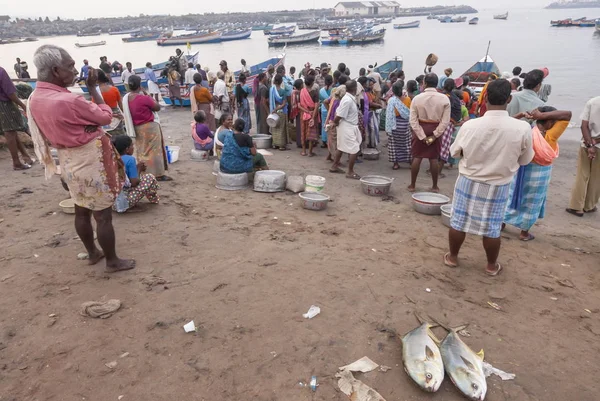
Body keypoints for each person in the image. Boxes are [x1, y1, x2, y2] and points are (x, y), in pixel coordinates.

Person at [28, 44, 135, 272]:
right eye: (70, 66)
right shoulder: (70, 101)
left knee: (81, 209)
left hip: (67, 159)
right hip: (89, 160)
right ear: (56, 71)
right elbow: (105, 116)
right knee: (103, 214)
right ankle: (113, 261)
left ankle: (92, 253)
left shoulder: (35, 97)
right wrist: (93, 88)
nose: (75, 71)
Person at [445, 79, 534, 276]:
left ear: (484, 97)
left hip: (469, 179)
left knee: (459, 221)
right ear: (509, 99)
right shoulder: (522, 128)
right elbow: (526, 159)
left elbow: (454, 153)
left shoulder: (470, 126)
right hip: (498, 183)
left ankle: (453, 257)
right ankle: (491, 265)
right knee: (492, 227)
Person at [504, 107, 571, 240]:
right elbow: (568, 114)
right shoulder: (550, 135)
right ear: (549, 122)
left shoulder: (525, 131)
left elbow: (506, 123)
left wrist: (521, 114)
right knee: (532, 202)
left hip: (520, 173)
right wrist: (542, 115)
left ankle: (501, 223)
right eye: (554, 121)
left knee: (512, 196)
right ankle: (524, 233)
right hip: (539, 176)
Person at [122, 75, 171, 181]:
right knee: (155, 151)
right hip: (149, 127)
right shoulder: (143, 98)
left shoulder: (126, 99)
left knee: (142, 151)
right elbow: (157, 107)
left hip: (136, 128)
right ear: (139, 86)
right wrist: (147, 94)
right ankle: (158, 174)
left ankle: (144, 172)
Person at [408, 73, 451, 193]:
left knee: (417, 156)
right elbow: (445, 121)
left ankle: (412, 185)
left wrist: (421, 136)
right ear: (437, 84)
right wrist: (435, 135)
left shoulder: (417, 98)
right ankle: (434, 186)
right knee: (433, 158)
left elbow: (413, 120)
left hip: (420, 127)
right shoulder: (444, 98)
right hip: (435, 128)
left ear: (424, 83)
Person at [566, 95, 600, 216]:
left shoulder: (593, 101)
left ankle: (576, 206)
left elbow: (583, 125)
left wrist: (590, 144)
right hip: (596, 144)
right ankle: (589, 205)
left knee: (582, 174)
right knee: (597, 178)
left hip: (587, 143)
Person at [112, 135, 160, 212]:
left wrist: (136, 168)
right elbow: (134, 182)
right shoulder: (130, 159)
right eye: (132, 145)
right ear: (127, 149)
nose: (133, 148)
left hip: (111, 203)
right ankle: (154, 199)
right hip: (124, 203)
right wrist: (139, 169)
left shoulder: (112, 158)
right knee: (149, 178)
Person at [0, 65, 34, 170]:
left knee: (11, 130)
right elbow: (11, 94)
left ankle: (25, 156)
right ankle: (16, 162)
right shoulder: (1, 71)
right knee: (10, 132)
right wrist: (22, 105)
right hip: (4, 104)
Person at [330, 80, 362, 180]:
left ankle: (334, 166)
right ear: (354, 89)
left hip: (348, 125)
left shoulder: (348, 98)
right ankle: (350, 172)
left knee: (341, 147)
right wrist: (334, 123)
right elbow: (339, 115)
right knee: (354, 149)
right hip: (347, 126)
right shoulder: (348, 100)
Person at [385, 80, 412, 170]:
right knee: (407, 144)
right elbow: (410, 113)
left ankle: (396, 164)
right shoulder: (408, 99)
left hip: (394, 125)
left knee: (394, 145)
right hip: (404, 125)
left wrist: (387, 129)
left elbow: (388, 116)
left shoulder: (391, 101)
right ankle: (410, 161)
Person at [438, 78, 462, 173]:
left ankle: (435, 170)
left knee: (439, 147)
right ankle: (437, 171)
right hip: (449, 123)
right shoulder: (454, 97)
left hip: (442, 122)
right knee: (443, 148)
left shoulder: (443, 96)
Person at [97, 70, 125, 136]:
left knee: (110, 138)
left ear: (96, 79)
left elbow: (95, 109)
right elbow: (121, 105)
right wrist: (125, 116)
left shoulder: (96, 92)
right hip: (117, 115)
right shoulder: (114, 89)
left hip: (105, 116)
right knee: (121, 136)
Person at [299, 75, 319, 156]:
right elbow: (316, 106)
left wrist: (306, 111)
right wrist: (313, 117)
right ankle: (310, 152)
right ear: (312, 83)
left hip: (303, 114)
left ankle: (304, 151)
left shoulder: (302, 91)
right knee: (311, 133)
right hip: (311, 114)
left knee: (303, 132)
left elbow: (299, 105)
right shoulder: (315, 93)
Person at [269, 74, 289, 150]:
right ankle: (281, 145)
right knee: (281, 128)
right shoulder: (283, 91)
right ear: (281, 82)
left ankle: (274, 144)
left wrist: (274, 110)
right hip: (281, 111)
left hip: (273, 111)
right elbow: (284, 103)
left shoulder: (271, 90)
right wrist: (277, 109)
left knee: (275, 127)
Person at [319, 75, 333, 146]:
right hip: (331, 109)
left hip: (323, 109)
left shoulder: (321, 91)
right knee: (330, 125)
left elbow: (321, 101)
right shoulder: (333, 91)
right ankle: (329, 140)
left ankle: (324, 140)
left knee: (323, 124)